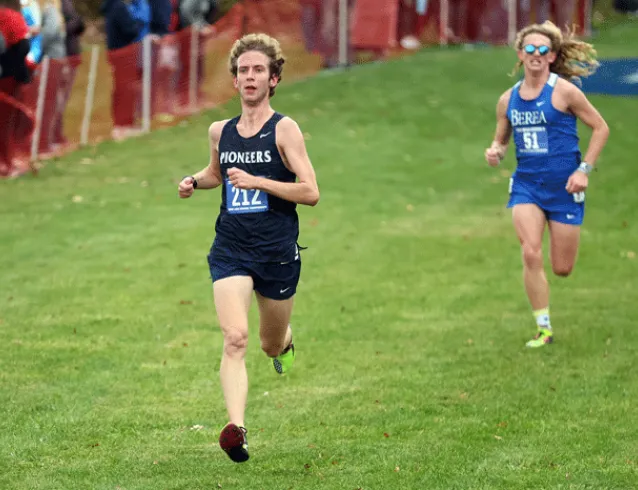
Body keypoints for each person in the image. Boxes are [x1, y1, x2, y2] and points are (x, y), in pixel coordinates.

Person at [177, 33, 320, 463]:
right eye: (243, 71)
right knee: (234, 338)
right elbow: (216, 173)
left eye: (259, 70)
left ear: (274, 78)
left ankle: (284, 344)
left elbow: (310, 192)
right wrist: (193, 182)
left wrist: (259, 181)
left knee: (267, 344)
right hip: (232, 248)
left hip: (276, 251)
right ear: (235, 81)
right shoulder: (220, 131)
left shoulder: (285, 129)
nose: (250, 77)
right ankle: (236, 429)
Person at [484, 21, 609, 348]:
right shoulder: (507, 100)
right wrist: (495, 151)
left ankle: (546, 321)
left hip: (565, 188)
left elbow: (600, 128)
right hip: (527, 185)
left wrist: (583, 170)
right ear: (520, 54)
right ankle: (544, 328)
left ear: (552, 56)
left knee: (562, 268)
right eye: (530, 49)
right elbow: (500, 140)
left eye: (543, 50)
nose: (536, 55)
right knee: (530, 251)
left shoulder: (564, 92)